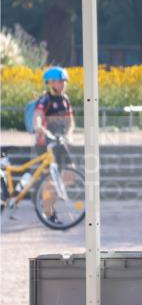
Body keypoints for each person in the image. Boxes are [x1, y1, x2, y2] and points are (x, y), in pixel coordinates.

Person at [33, 66, 76, 223]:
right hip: (45, 143)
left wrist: (69, 134)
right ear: (50, 82)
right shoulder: (45, 99)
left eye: (64, 81)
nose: (63, 84)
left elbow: (71, 122)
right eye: (60, 81)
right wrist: (39, 127)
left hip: (60, 142)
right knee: (49, 179)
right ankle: (49, 213)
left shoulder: (65, 100)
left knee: (71, 175)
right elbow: (38, 115)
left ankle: (46, 200)